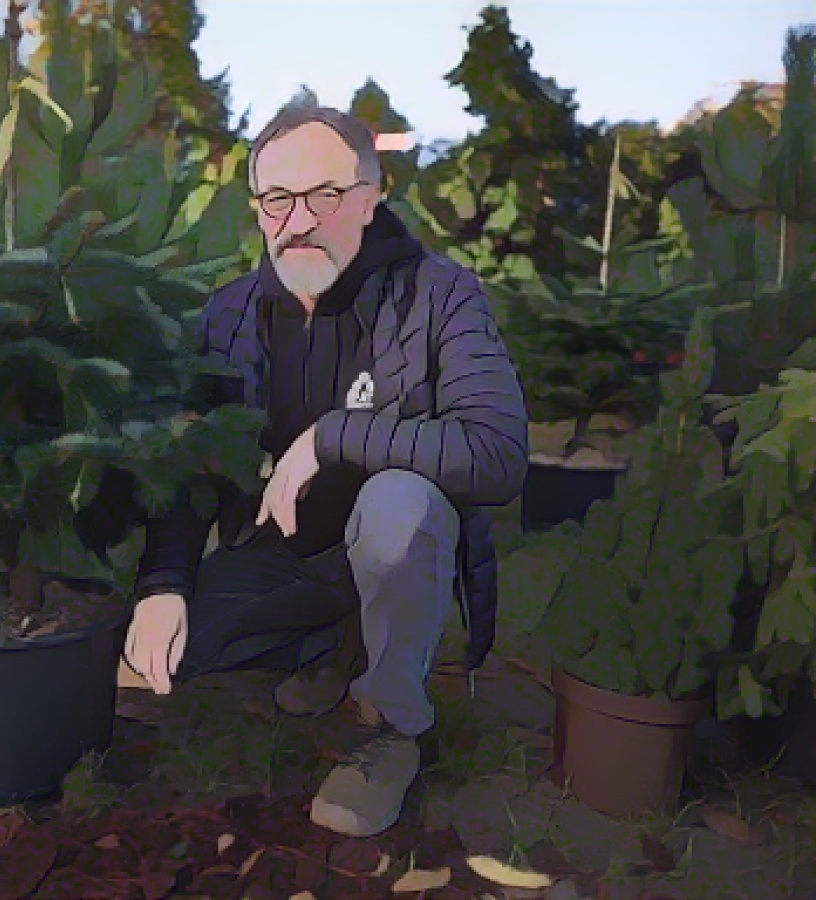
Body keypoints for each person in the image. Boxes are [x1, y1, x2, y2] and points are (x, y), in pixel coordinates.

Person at [123, 103, 529, 838]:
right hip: (283, 549)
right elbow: (192, 458)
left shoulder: (441, 295)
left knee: (399, 504)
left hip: (390, 540)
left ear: (371, 199)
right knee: (160, 659)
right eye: (278, 198)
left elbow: (497, 454)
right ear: (257, 208)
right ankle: (334, 642)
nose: (300, 220)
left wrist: (333, 437)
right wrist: (162, 585)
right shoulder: (230, 315)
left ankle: (391, 728)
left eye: (326, 195)